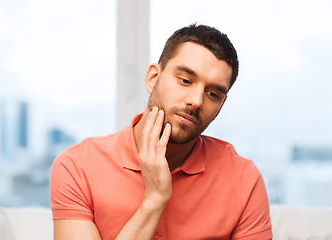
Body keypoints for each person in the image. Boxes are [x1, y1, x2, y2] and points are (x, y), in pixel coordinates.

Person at [50, 23, 273, 240]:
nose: (196, 101)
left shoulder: (244, 179)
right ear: (153, 78)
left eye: (213, 94)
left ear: (220, 106)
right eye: (185, 80)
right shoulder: (77, 166)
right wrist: (154, 199)